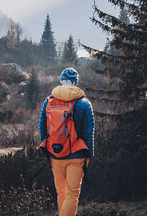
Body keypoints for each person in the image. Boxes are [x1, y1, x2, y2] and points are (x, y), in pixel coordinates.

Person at [39, 67, 95, 216]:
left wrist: (48, 151)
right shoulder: (84, 103)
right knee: (72, 195)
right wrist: (88, 156)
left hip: (55, 155)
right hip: (77, 155)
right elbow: (89, 133)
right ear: (75, 82)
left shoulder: (48, 101)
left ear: (61, 80)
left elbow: (42, 128)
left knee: (61, 194)